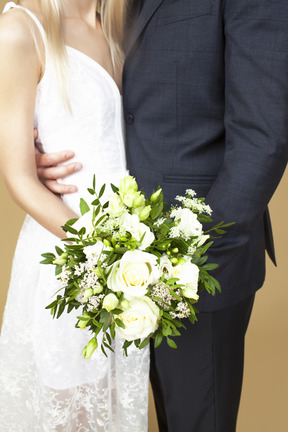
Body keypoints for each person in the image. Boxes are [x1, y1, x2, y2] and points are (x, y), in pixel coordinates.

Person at [37, 1, 288, 431]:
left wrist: (187, 262)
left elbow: (262, 139)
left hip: (200, 265)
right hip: (111, 263)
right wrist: (40, 142)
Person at [0, 1, 150, 431]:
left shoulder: (120, 24)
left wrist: (129, 263)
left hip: (129, 268)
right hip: (69, 259)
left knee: (116, 415)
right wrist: (102, 255)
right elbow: (19, 178)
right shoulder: (19, 28)